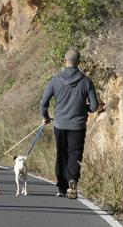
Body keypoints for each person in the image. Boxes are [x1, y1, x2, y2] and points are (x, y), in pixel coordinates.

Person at [40, 48, 100, 199]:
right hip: (78, 126)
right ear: (79, 62)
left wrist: (46, 117)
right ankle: (72, 179)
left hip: (59, 124)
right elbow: (94, 106)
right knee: (75, 154)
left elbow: (43, 103)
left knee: (62, 154)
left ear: (64, 61)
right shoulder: (86, 81)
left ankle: (61, 187)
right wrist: (82, 107)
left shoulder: (55, 80)